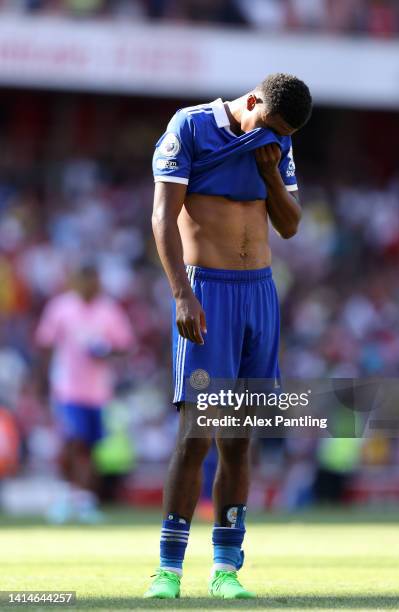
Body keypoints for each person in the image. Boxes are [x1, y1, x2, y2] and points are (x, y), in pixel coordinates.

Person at [146, 72, 312, 599]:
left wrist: (268, 175)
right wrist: (180, 294)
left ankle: (225, 569)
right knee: (197, 434)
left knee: (239, 441)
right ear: (253, 101)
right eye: (271, 125)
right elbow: (162, 218)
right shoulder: (190, 127)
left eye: (284, 133)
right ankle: (169, 570)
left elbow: (289, 225)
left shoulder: (278, 140)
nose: (276, 137)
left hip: (258, 293)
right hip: (207, 292)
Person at [35, 263, 134, 523]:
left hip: (98, 391)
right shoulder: (61, 307)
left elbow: (125, 345)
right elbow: (45, 343)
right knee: (74, 441)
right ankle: (75, 495)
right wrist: (43, 381)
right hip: (67, 388)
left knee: (89, 446)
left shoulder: (108, 310)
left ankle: (81, 499)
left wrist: (105, 350)